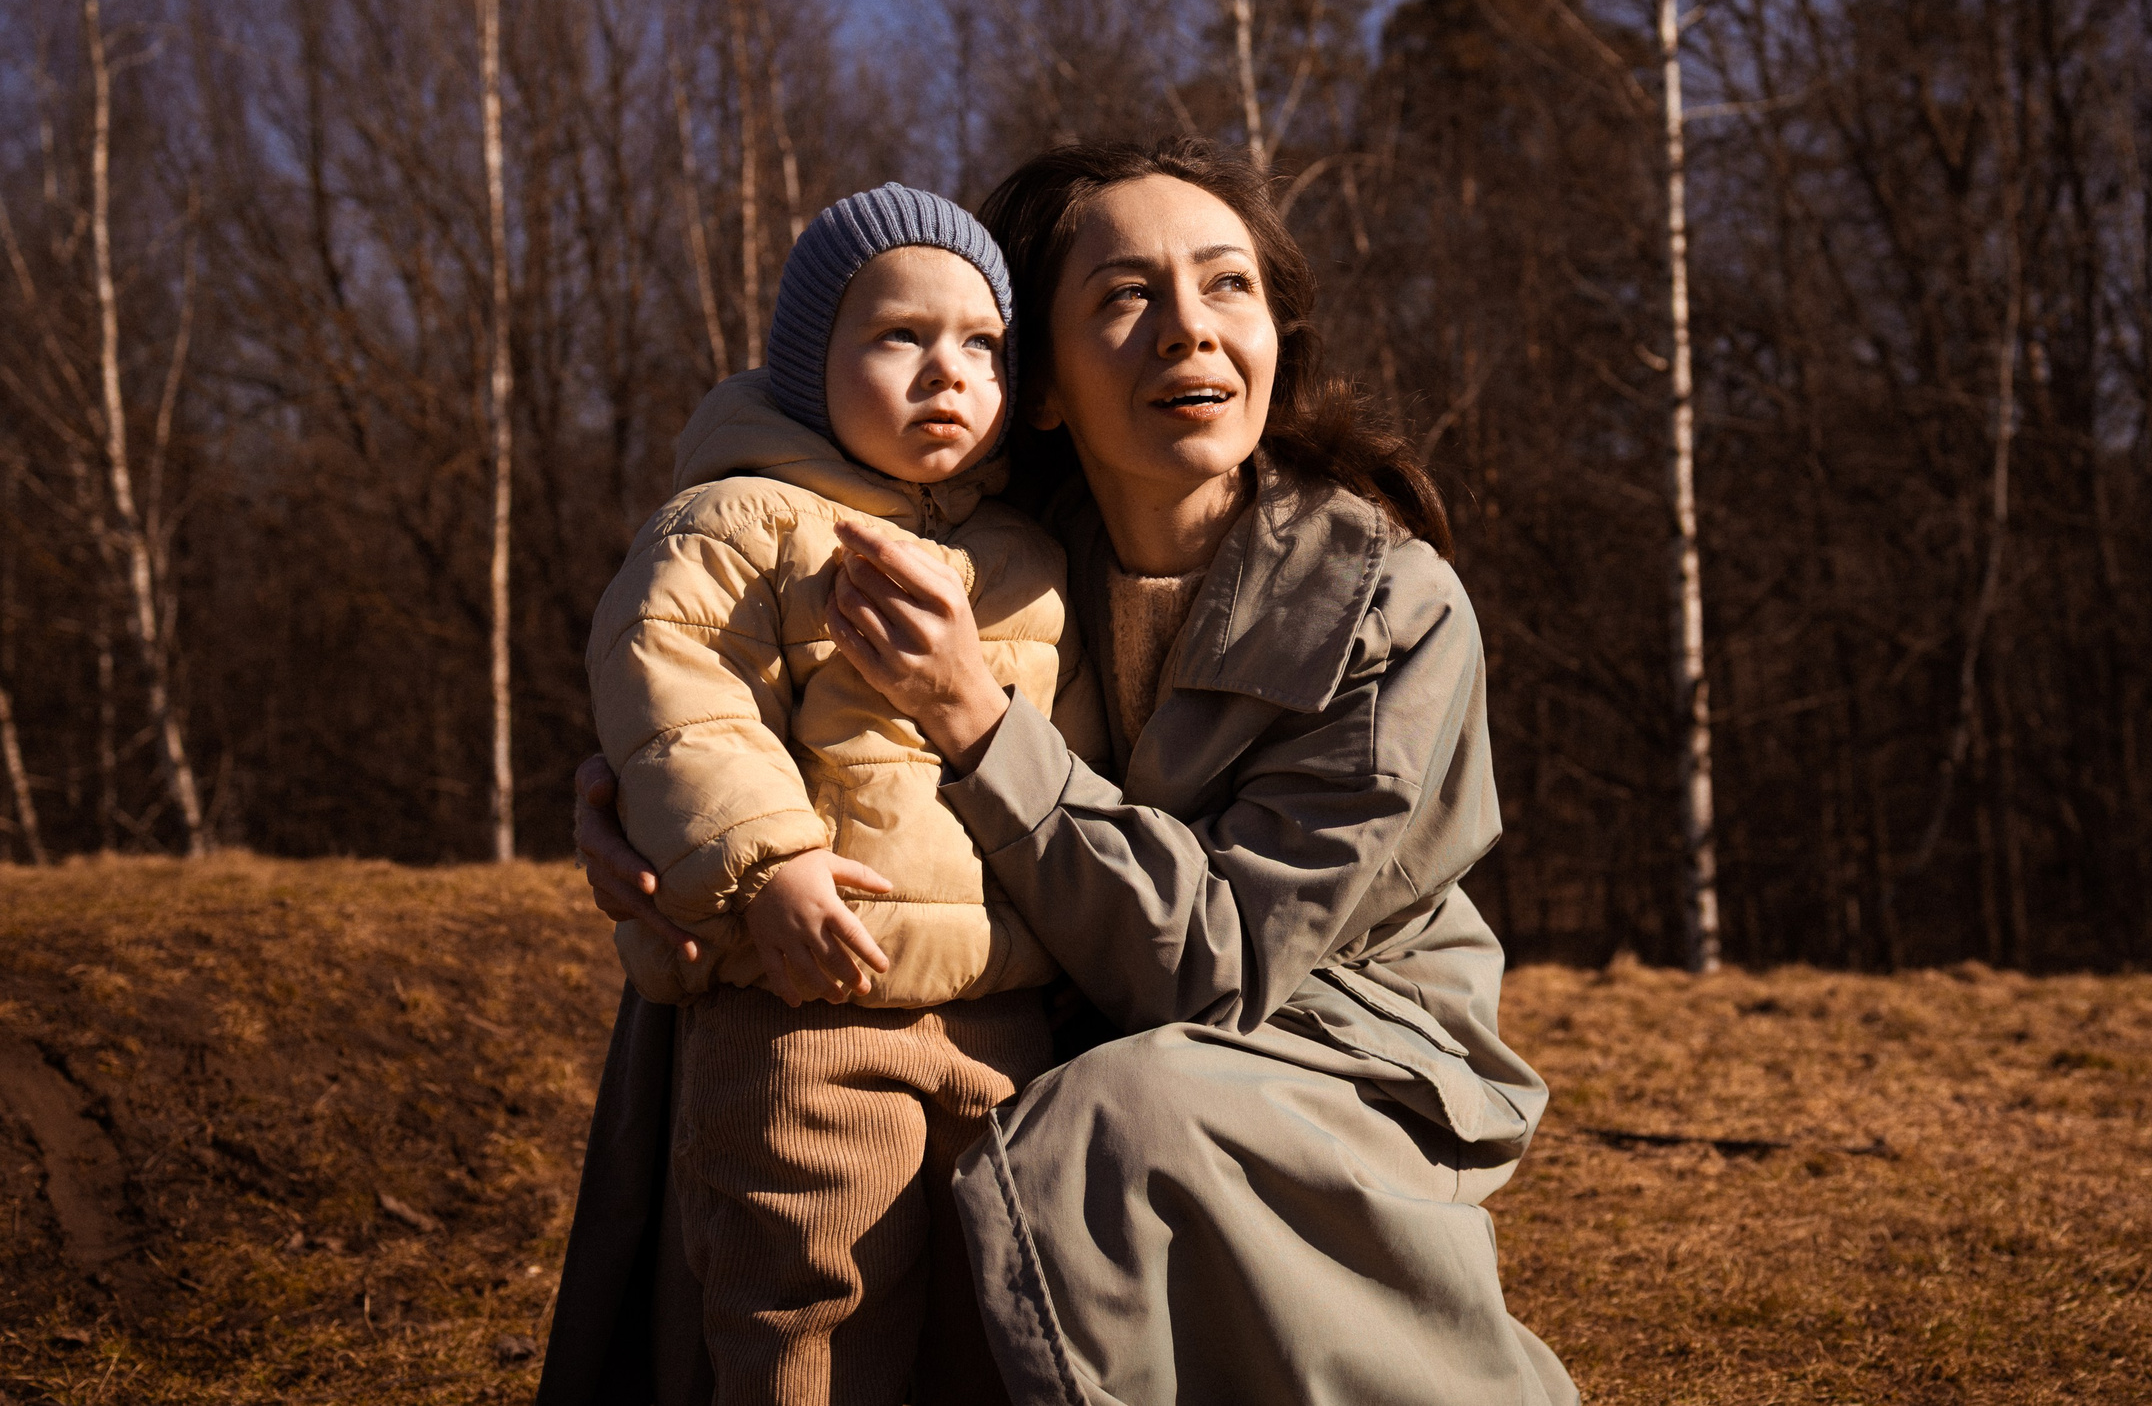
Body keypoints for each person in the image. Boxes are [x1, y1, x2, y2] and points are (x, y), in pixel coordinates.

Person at [543, 139, 1577, 1406]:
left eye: (1226, 286)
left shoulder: (1390, 608)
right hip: (1070, 992)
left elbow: (1224, 961)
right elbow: (714, 650)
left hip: (1332, 1032)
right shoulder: (1001, 549)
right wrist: (645, 815)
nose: (1189, 332)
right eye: (1126, 298)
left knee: (1113, 1112)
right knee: (732, 1008)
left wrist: (976, 715)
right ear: (1043, 385)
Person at [582, 181, 1105, 1406]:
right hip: (806, 1010)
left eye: (982, 346)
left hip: (997, 1016)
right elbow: (684, 702)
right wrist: (771, 865)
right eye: (898, 338)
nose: (947, 374)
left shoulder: (1027, 564)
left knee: (995, 1304)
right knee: (803, 1289)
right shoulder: (740, 524)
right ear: (809, 364)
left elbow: (1074, 766)